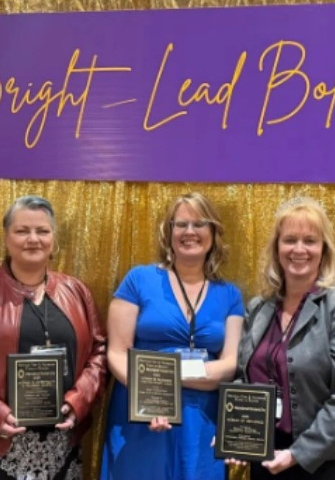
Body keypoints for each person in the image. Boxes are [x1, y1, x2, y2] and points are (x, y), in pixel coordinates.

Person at [0, 195, 107, 480]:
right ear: (6, 237)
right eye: (22, 230)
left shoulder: (77, 291)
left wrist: (79, 401)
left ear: (53, 239)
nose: (33, 238)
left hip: (57, 446)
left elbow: (99, 353)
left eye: (42, 231)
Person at [102, 192, 245, 480]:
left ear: (213, 232)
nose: (189, 232)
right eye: (180, 225)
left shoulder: (230, 294)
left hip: (201, 421)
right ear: (168, 233)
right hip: (143, 417)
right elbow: (117, 352)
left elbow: (229, 364)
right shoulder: (138, 280)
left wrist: (163, 378)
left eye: (199, 224)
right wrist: (152, 395)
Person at [232, 198, 335, 480]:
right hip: (269, 457)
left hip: (328, 462)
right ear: (276, 249)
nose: (299, 249)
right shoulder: (259, 308)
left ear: (324, 250)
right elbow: (244, 378)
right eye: (290, 240)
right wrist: (235, 432)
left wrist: (299, 453)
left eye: (310, 240)